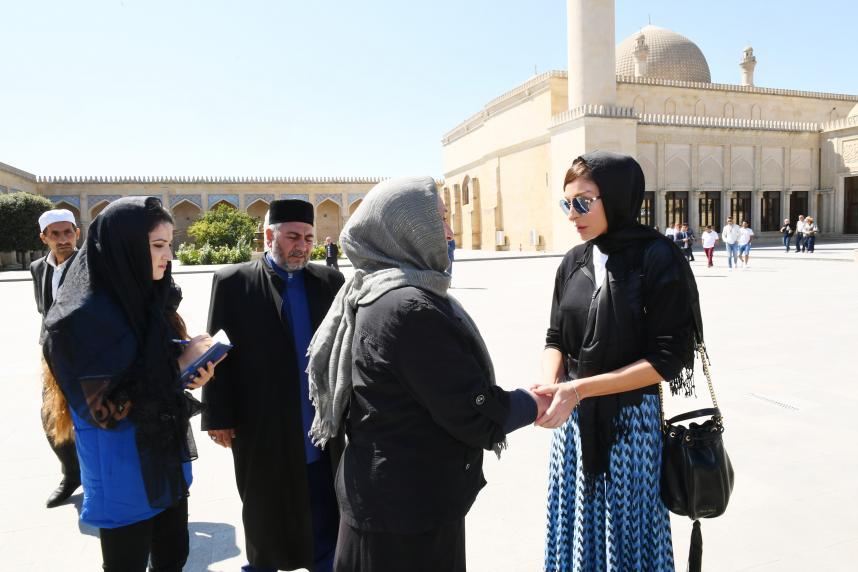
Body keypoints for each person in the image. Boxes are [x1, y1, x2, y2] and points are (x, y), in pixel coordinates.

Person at [305, 176, 549, 572]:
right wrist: (532, 403)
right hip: (405, 516)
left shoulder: (375, 290)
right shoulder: (408, 307)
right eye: (440, 220)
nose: (450, 233)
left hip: (387, 501)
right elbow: (470, 410)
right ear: (405, 230)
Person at [532, 152, 705, 572]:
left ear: (617, 197)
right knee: (577, 528)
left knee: (626, 534)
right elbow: (556, 337)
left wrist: (578, 389)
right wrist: (550, 387)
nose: (573, 214)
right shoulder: (572, 262)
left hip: (631, 426)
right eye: (567, 203)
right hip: (573, 427)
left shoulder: (657, 258)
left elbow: (669, 357)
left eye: (584, 202)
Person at [42, 197, 218, 571]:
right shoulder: (81, 321)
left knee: (173, 556)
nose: (168, 255)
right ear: (124, 247)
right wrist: (174, 372)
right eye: (157, 246)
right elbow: (106, 412)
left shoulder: (148, 300)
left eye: (170, 244)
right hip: (120, 468)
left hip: (163, 455)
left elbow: (149, 368)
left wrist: (188, 368)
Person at [203, 199, 345, 572]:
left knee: (324, 513)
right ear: (269, 236)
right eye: (293, 236)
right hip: (261, 425)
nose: (302, 245)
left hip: (318, 424)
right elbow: (218, 354)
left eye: (309, 238)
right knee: (265, 516)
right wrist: (218, 415)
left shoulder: (329, 281)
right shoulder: (234, 282)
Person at [30, 209, 82, 508]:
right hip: (53, 354)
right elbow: (44, 309)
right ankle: (71, 473)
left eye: (67, 233)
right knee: (51, 416)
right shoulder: (39, 268)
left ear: (77, 233)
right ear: (44, 237)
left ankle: (94, 475)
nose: (63, 240)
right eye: (55, 234)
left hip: (87, 355)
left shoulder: (92, 264)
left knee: (90, 416)